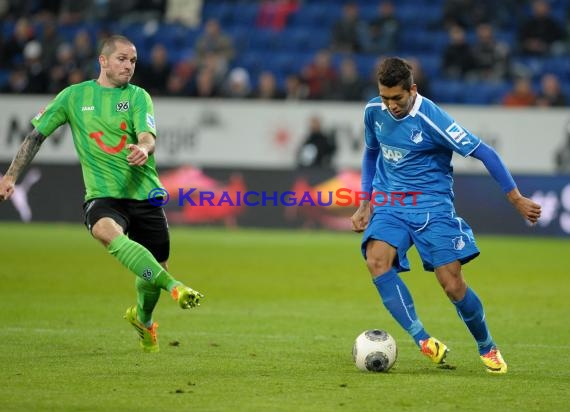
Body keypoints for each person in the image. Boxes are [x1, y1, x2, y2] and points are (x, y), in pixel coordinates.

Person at [0, 35, 204, 353]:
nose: (128, 66)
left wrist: (143, 148)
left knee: (153, 268)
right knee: (105, 231)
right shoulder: (73, 96)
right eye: (122, 59)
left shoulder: (138, 97)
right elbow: (36, 136)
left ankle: (144, 320)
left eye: (133, 61)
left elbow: (148, 136)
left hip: (144, 193)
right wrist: (11, 176)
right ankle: (174, 287)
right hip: (102, 195)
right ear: (103, 61)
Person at [351, 57, 541, 374]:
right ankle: (423, 339)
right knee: (376, 259)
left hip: (432, 206)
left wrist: (516, 198)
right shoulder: (374, 111)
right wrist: (364, 202)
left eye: (397, 98)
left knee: (452, 284)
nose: (391, 105)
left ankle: (487, 346)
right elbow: (372, 152)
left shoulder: (432, 118)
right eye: (385, 97)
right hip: (391, 203)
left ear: (412, 89)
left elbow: (485, 152)